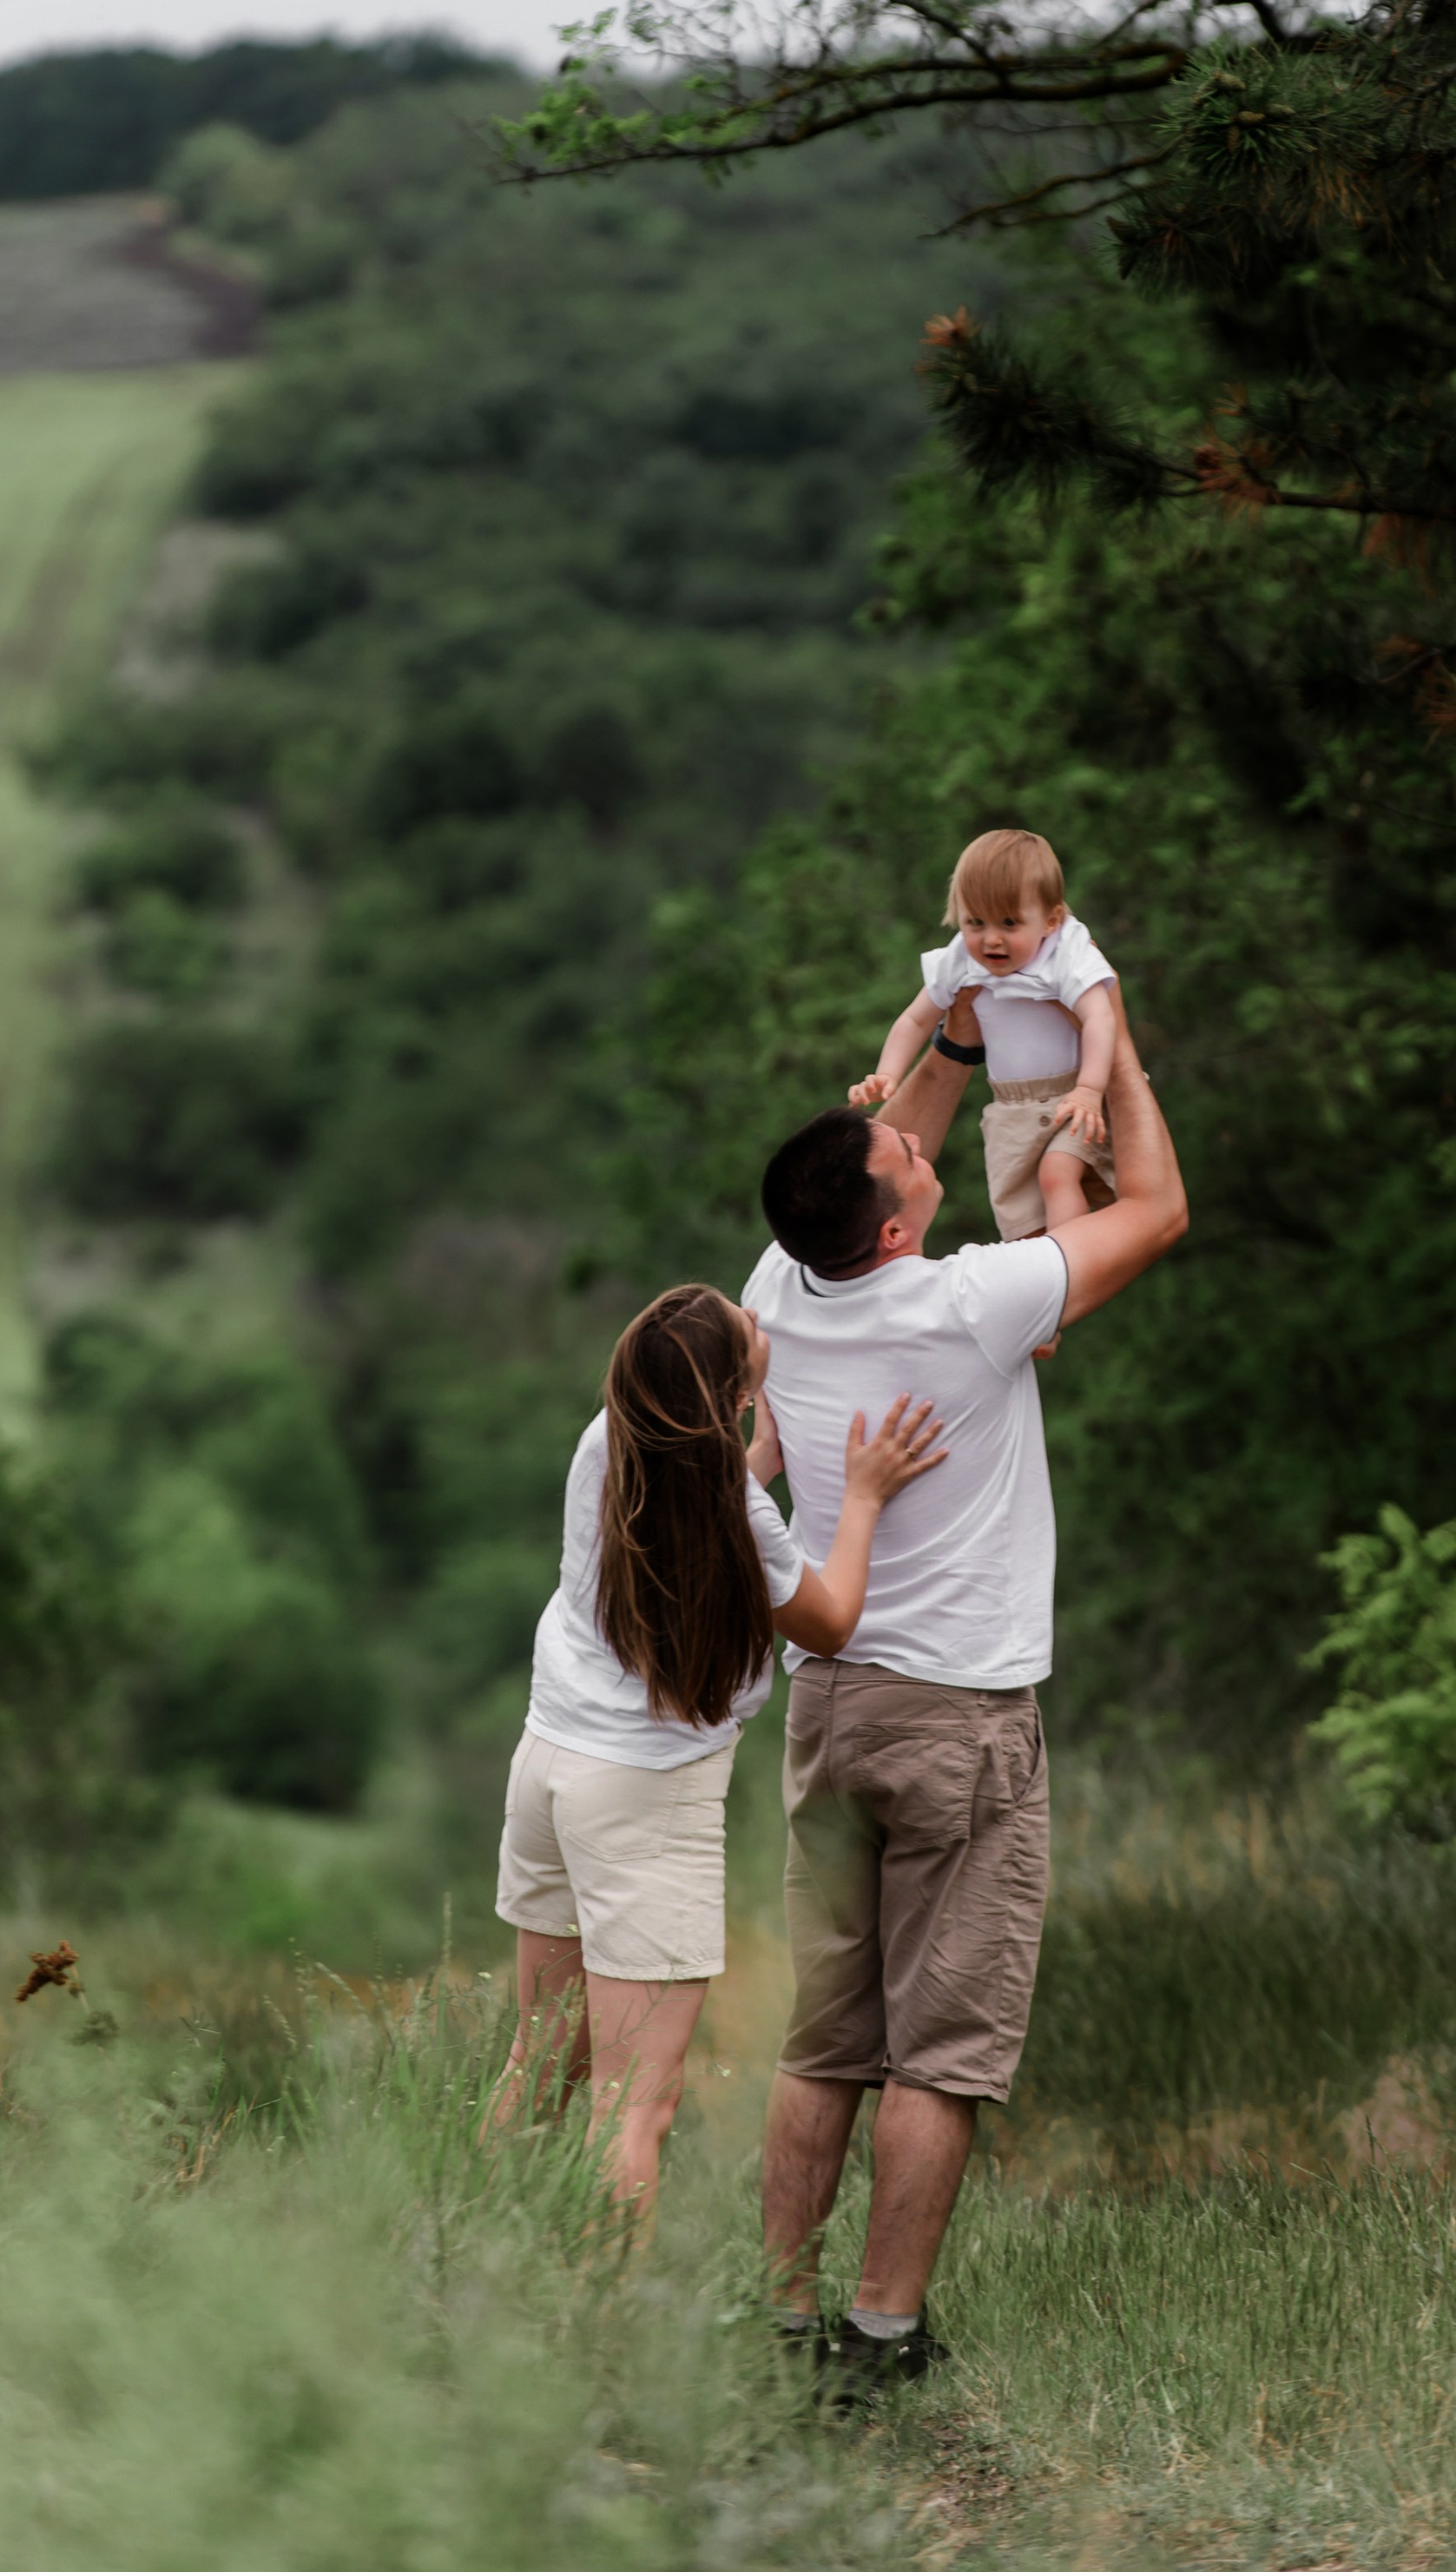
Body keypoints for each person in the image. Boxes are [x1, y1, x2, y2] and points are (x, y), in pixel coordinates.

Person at [745, 976, 1187, 2385]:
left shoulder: (778, 1287)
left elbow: (895, 1155)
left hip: (831, 1707)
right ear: (894, 1226)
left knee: (824, 2040)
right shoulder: (974, 1303)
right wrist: (1109, 1048)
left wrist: (953, 1032)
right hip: (958, 1722)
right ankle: (882, 2336)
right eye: (902, 1157)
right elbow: (1159, 1212)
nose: (915, 1140)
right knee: (940, 2049)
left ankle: (776, 2316)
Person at [490, 1280, 945, 2221]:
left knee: (539, 2061)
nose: (759, 1319)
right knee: (633, 2106)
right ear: (731, 1392)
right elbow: (829, 1618)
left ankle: (469, 2260)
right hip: (642, 1800)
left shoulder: (608, 1436)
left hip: (548, 1764)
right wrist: (862, 1497)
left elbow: (690, 1510)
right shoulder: (736, 1505)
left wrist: (755, 1453)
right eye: (747, 1329)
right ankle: (607, 2308)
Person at [850, 826, 1120, 1241]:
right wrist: (887, 1073)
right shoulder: (961, 959)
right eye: (975, 922)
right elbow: (916, 1020)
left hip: (1071, 1096)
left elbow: (1101, 1017)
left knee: (1057, 1174)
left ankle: (1074, 1260)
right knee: (1021, 1221)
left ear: (1050, 920)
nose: (991, 939)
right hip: (1010, 1108)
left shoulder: (1066, 952)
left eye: (1010, 923)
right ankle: (1046, 1268)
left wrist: (1089, 1088)